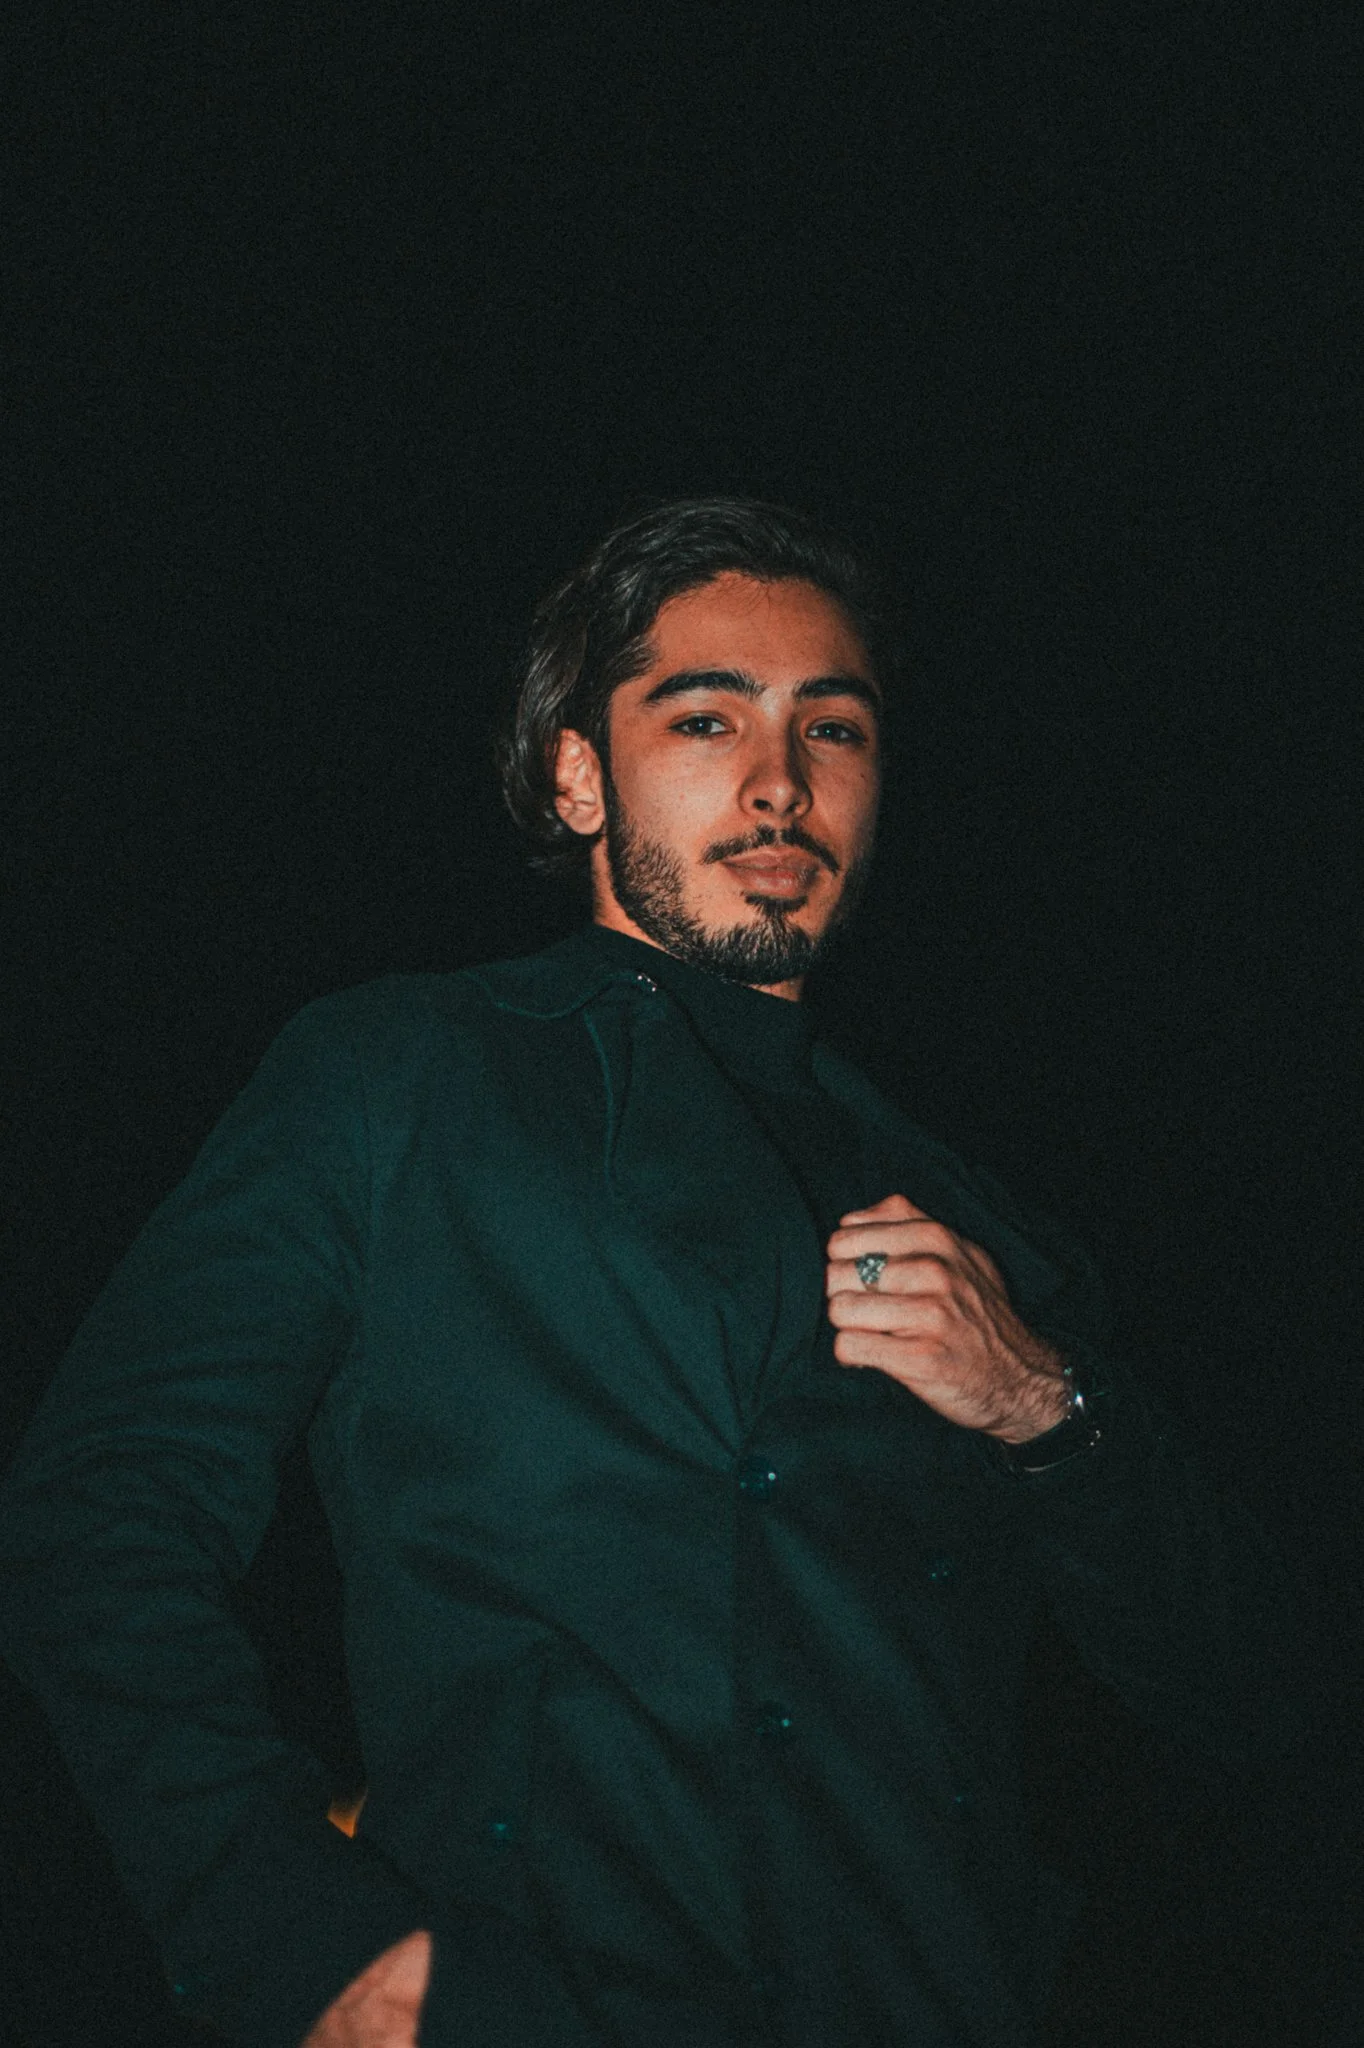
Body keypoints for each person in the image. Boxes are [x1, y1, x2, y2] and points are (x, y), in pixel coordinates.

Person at [0, 500, 1305, 2048]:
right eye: (706, 718)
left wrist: (1046, 1406)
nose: (778, 781)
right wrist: (302, 1940)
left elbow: (1253, 1698)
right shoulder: (400, 1079)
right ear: (576, 774)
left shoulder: (980, 1223)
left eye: (835, 728)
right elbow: (104, 1512)